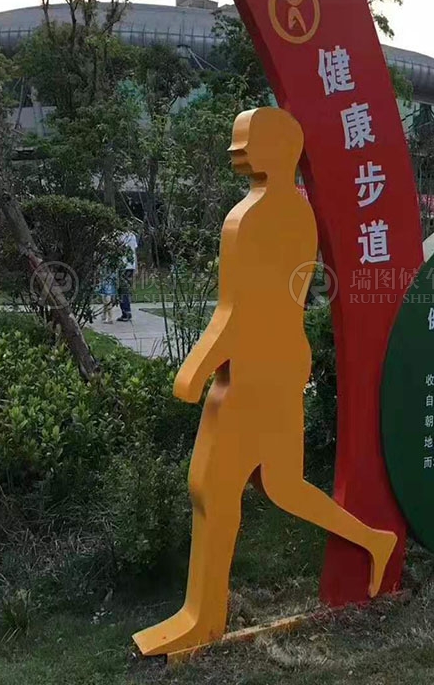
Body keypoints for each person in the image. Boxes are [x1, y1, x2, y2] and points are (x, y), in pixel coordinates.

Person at [133, 107, 396, 658]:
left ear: (276, 150)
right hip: (281, 364)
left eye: (246, 141)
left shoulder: (251, 217)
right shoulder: (297, 214)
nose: (237, 151)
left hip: (255, 373)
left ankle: (203, 619)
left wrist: (196, 368)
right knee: (284, 486)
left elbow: (238, 310)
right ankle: (375, 541)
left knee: (212, 487)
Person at [117, 228, 138, 322]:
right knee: (126, 289)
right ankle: (126, 311)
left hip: (123, 265)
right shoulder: (132, 235)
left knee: (122, 290)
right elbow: (134, 252)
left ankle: (126, 312)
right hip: (130, 265)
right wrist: (136, 266)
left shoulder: (118, 235)